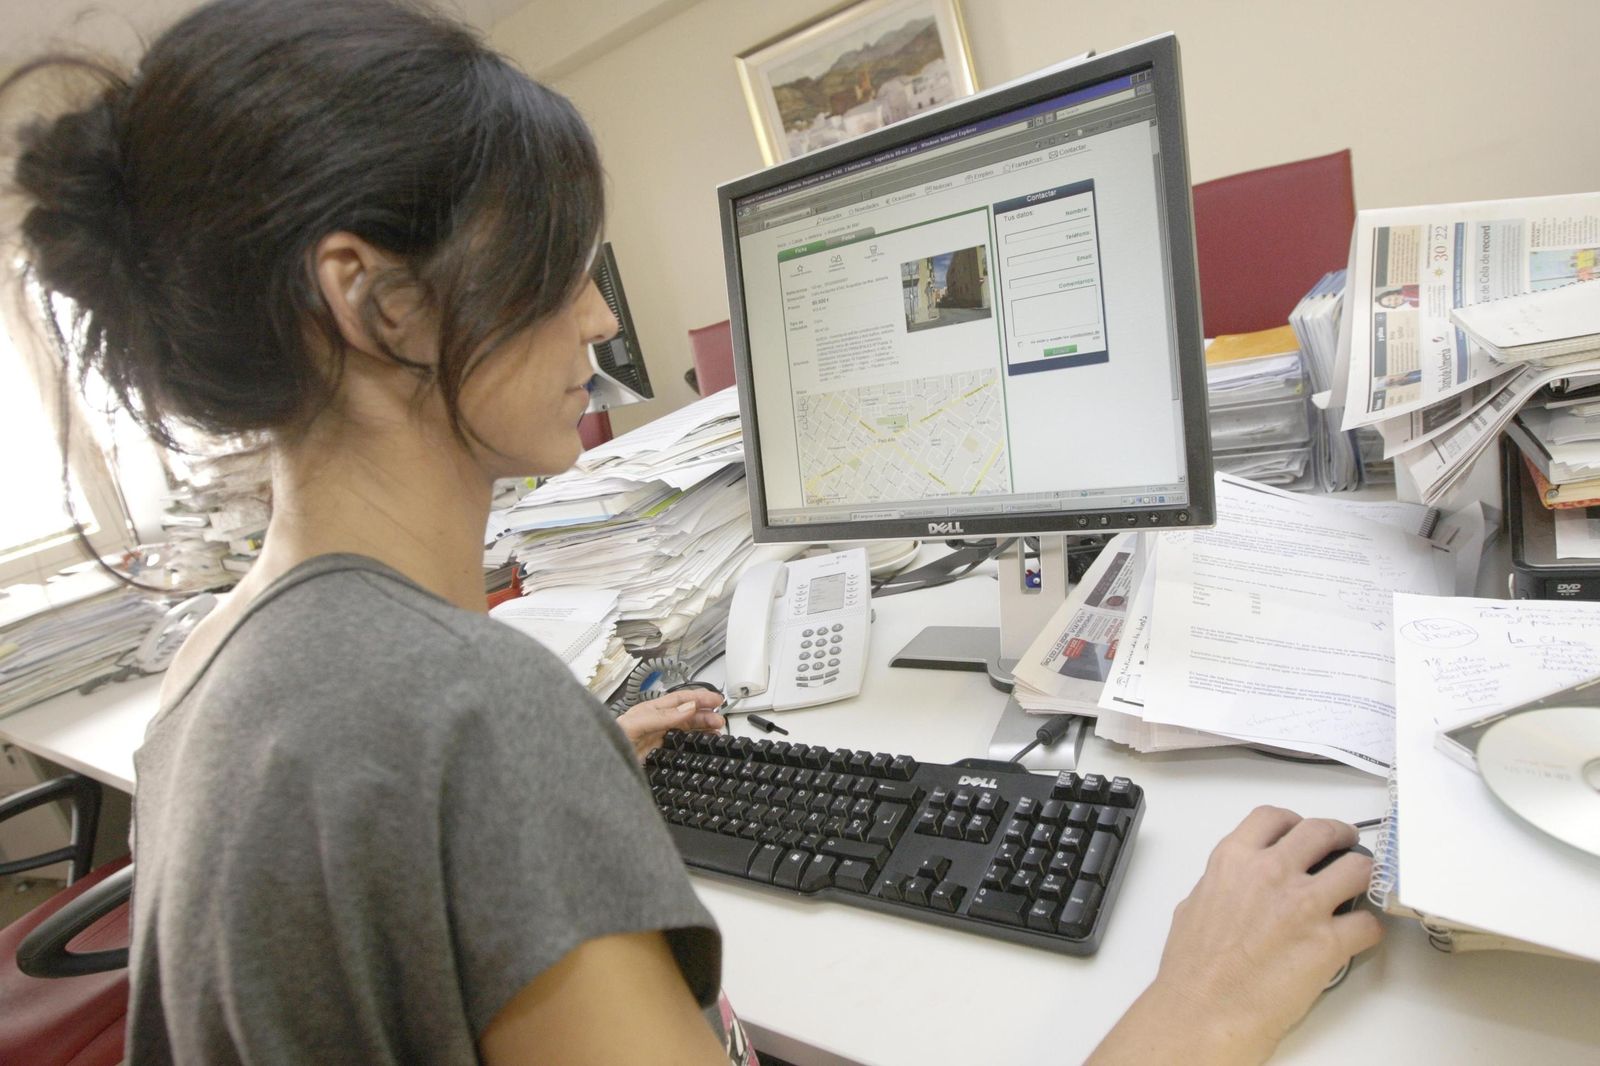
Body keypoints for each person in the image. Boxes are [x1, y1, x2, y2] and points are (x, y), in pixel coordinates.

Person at [3, 1, 1381, 1062]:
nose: (601, 319)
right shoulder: (467, 714)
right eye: (553, 262)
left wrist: (541, 806)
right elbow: (434, 751)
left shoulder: (222, 669)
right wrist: (1197, 1005)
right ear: (379, 302)